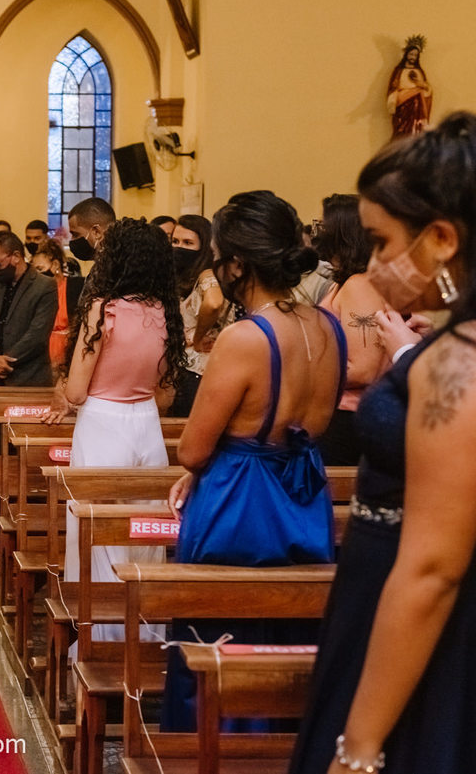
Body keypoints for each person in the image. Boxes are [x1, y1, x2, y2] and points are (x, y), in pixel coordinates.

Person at [289, 112, 476, 774]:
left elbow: (432, 569)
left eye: (380, 242)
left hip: (416, 609)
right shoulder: (450, 339)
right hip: (375, 587)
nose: (371, 266)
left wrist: (360, 746)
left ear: (443, 238)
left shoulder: (460, 362)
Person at [161, 190, 346, 732]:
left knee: (221, 643)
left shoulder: (247, 338)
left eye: (219, 255)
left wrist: (195, 471)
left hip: (241, 500)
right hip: (303, 494)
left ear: (237, 263)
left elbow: (193, 450)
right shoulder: (328, 327)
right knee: (288, 646)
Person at [47, 219, 185, 641]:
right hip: (146, 425)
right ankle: (145, 639)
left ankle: (98, 644)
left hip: (103, 423)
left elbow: (75, 389)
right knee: (143, 534)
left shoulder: (102, 309)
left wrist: (63, 393)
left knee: (99, 537)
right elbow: (165, 391)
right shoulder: (165, 311)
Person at [315, 194, 387, 465]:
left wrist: (304, 374)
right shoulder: (344, 281)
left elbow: (363, 369)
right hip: (339, 411)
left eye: (323, 226)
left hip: (351, 416)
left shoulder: (360, 284)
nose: (316, 232)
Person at [0, 231, 59, 386]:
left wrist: (2, 364)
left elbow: (37, 336)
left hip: (28, 378)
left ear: (16, 256)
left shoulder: (44, 286)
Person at [169, 214, 231, 417]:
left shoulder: (207, 274)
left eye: (188, 243)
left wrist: (196, 338)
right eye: (175, 241)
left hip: (199, 372)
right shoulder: (184, 276)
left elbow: (214, 303)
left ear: (203, 247)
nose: (179, 247)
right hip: (184, 369)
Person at [31, 238, 83, 375]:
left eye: (40, 269)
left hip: (70, 353)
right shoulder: (35, 292)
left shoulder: (76, 287)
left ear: (55, 265)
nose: (37, 276)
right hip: (43, 355)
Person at [387, 35, 432, 139]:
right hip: (403, 106)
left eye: (415, 55)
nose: (412, 57)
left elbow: (427, 91)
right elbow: (392, 89)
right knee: (402, 131)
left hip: (417, 108)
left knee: (416, 131)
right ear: (406, 54)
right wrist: (397, 94)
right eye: (411, 54)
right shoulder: (399, 71)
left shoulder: (420, 71)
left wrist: (422, 86)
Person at [67, 197, 115, 262]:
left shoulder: (125, 268)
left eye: (75, 234)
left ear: (96, 232)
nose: (72, 240)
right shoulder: (105, 266)